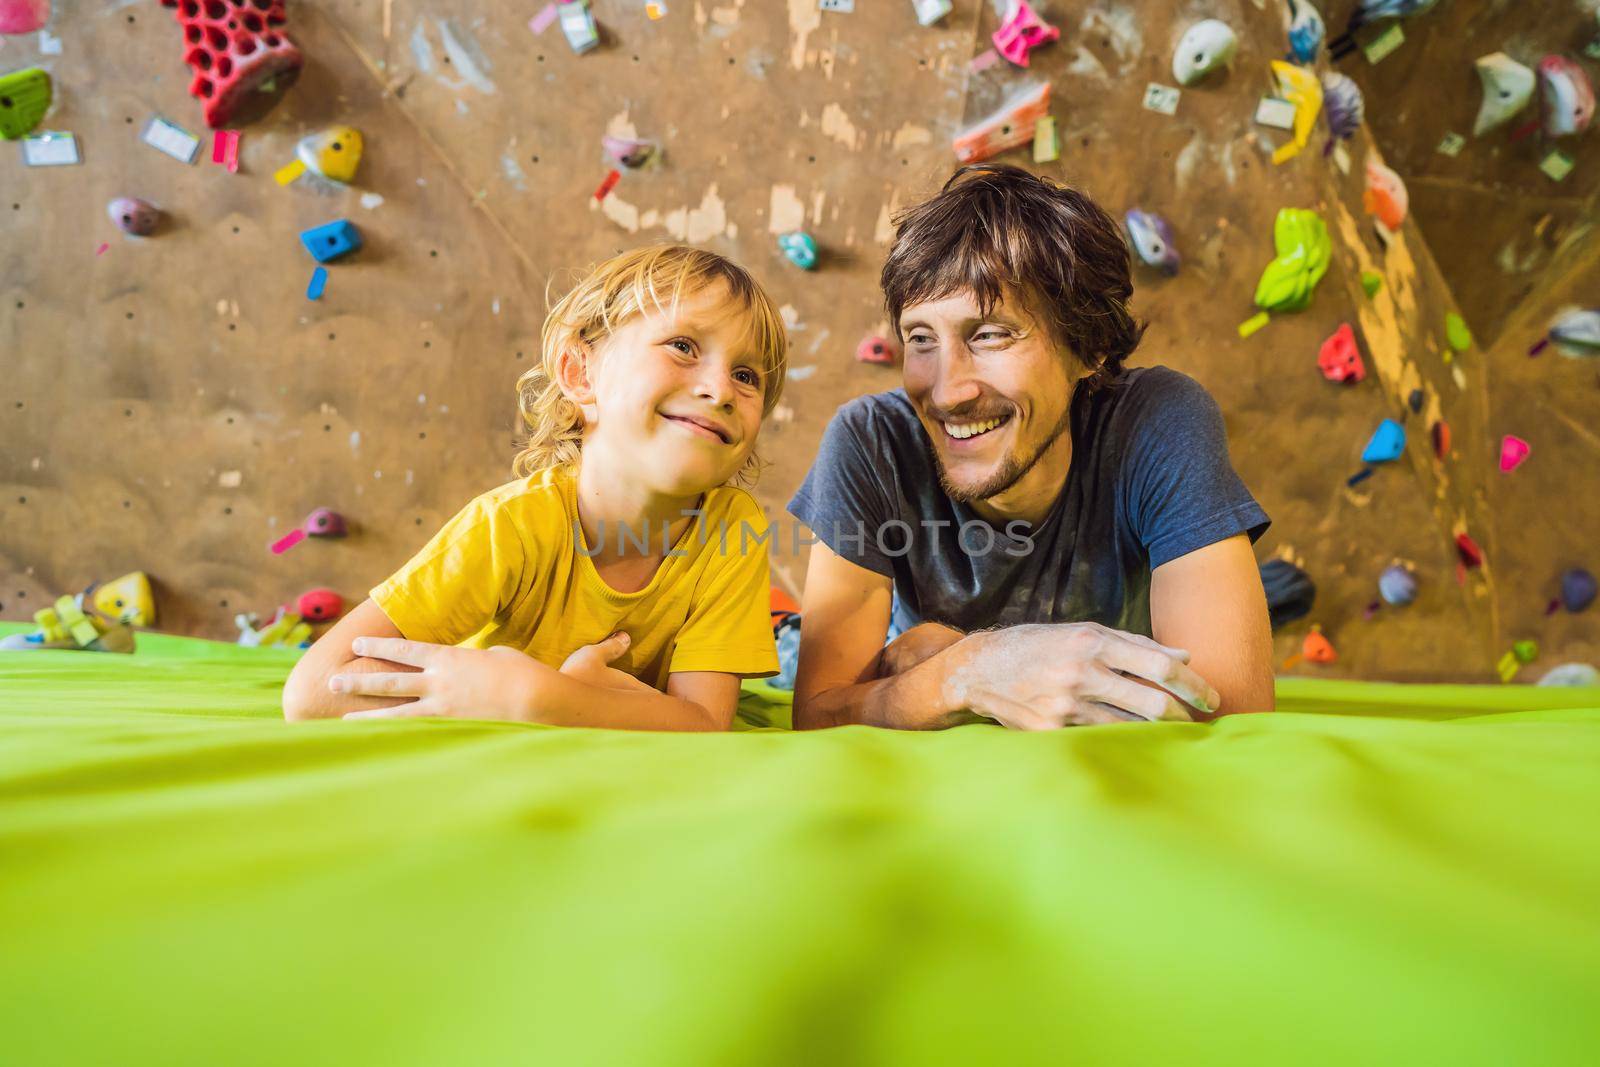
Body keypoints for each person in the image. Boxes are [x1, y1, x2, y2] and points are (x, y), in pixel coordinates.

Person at [788, 164, 1274, 731]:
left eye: (991, 334)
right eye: (920, 339)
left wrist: (947, 663)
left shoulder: (1156, 421)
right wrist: (965, 672)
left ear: (1088, 347)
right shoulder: (871, 442)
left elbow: (1228, 709)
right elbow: (819, 712)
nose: (948, 391)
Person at [282, 245, 787, 730]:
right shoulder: (512, 524)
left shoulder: (731, 525)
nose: (720, 390)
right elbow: (314, 691)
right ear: (579, 372)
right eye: (683, 346)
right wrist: (524, 698)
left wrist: (547, 699)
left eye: (746, 375)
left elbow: (704, 721)